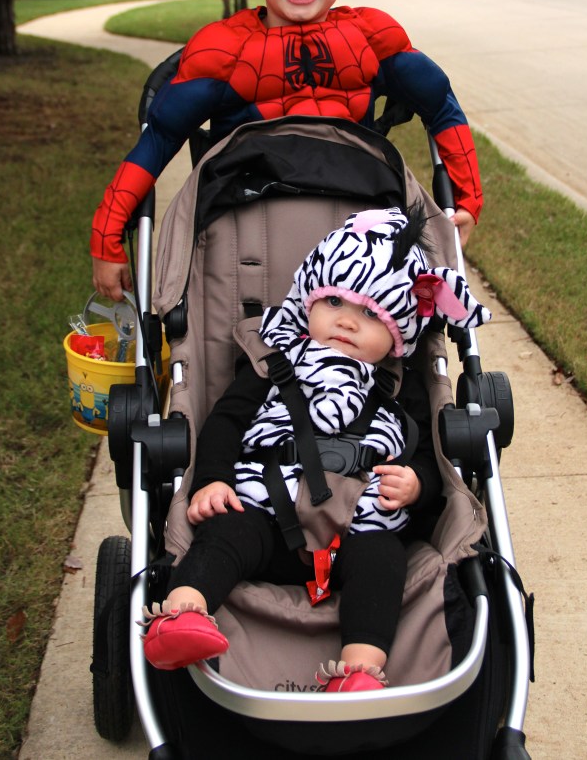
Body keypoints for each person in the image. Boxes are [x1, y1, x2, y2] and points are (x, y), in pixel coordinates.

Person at [140, 207, 490, 692]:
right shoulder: (273, 363)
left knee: (383, 560)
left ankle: (360, 670)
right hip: (265, 513)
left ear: (398, 331)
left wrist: (418, 485)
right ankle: (182, 613)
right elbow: (224, 423)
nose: (347, 322)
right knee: (224, 534)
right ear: (308, 300)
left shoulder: (397, 386)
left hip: (356, 532)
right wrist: (213, 479)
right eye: (333, 303)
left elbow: (429, 453)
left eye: (370, 314)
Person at [90, 0, 484, 301]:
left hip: (360, 246)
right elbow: (160, 136)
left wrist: (468, 201)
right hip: (246, 245)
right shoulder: (224, 52)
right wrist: (106, 237)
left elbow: (441, 106)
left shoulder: (373, 40)